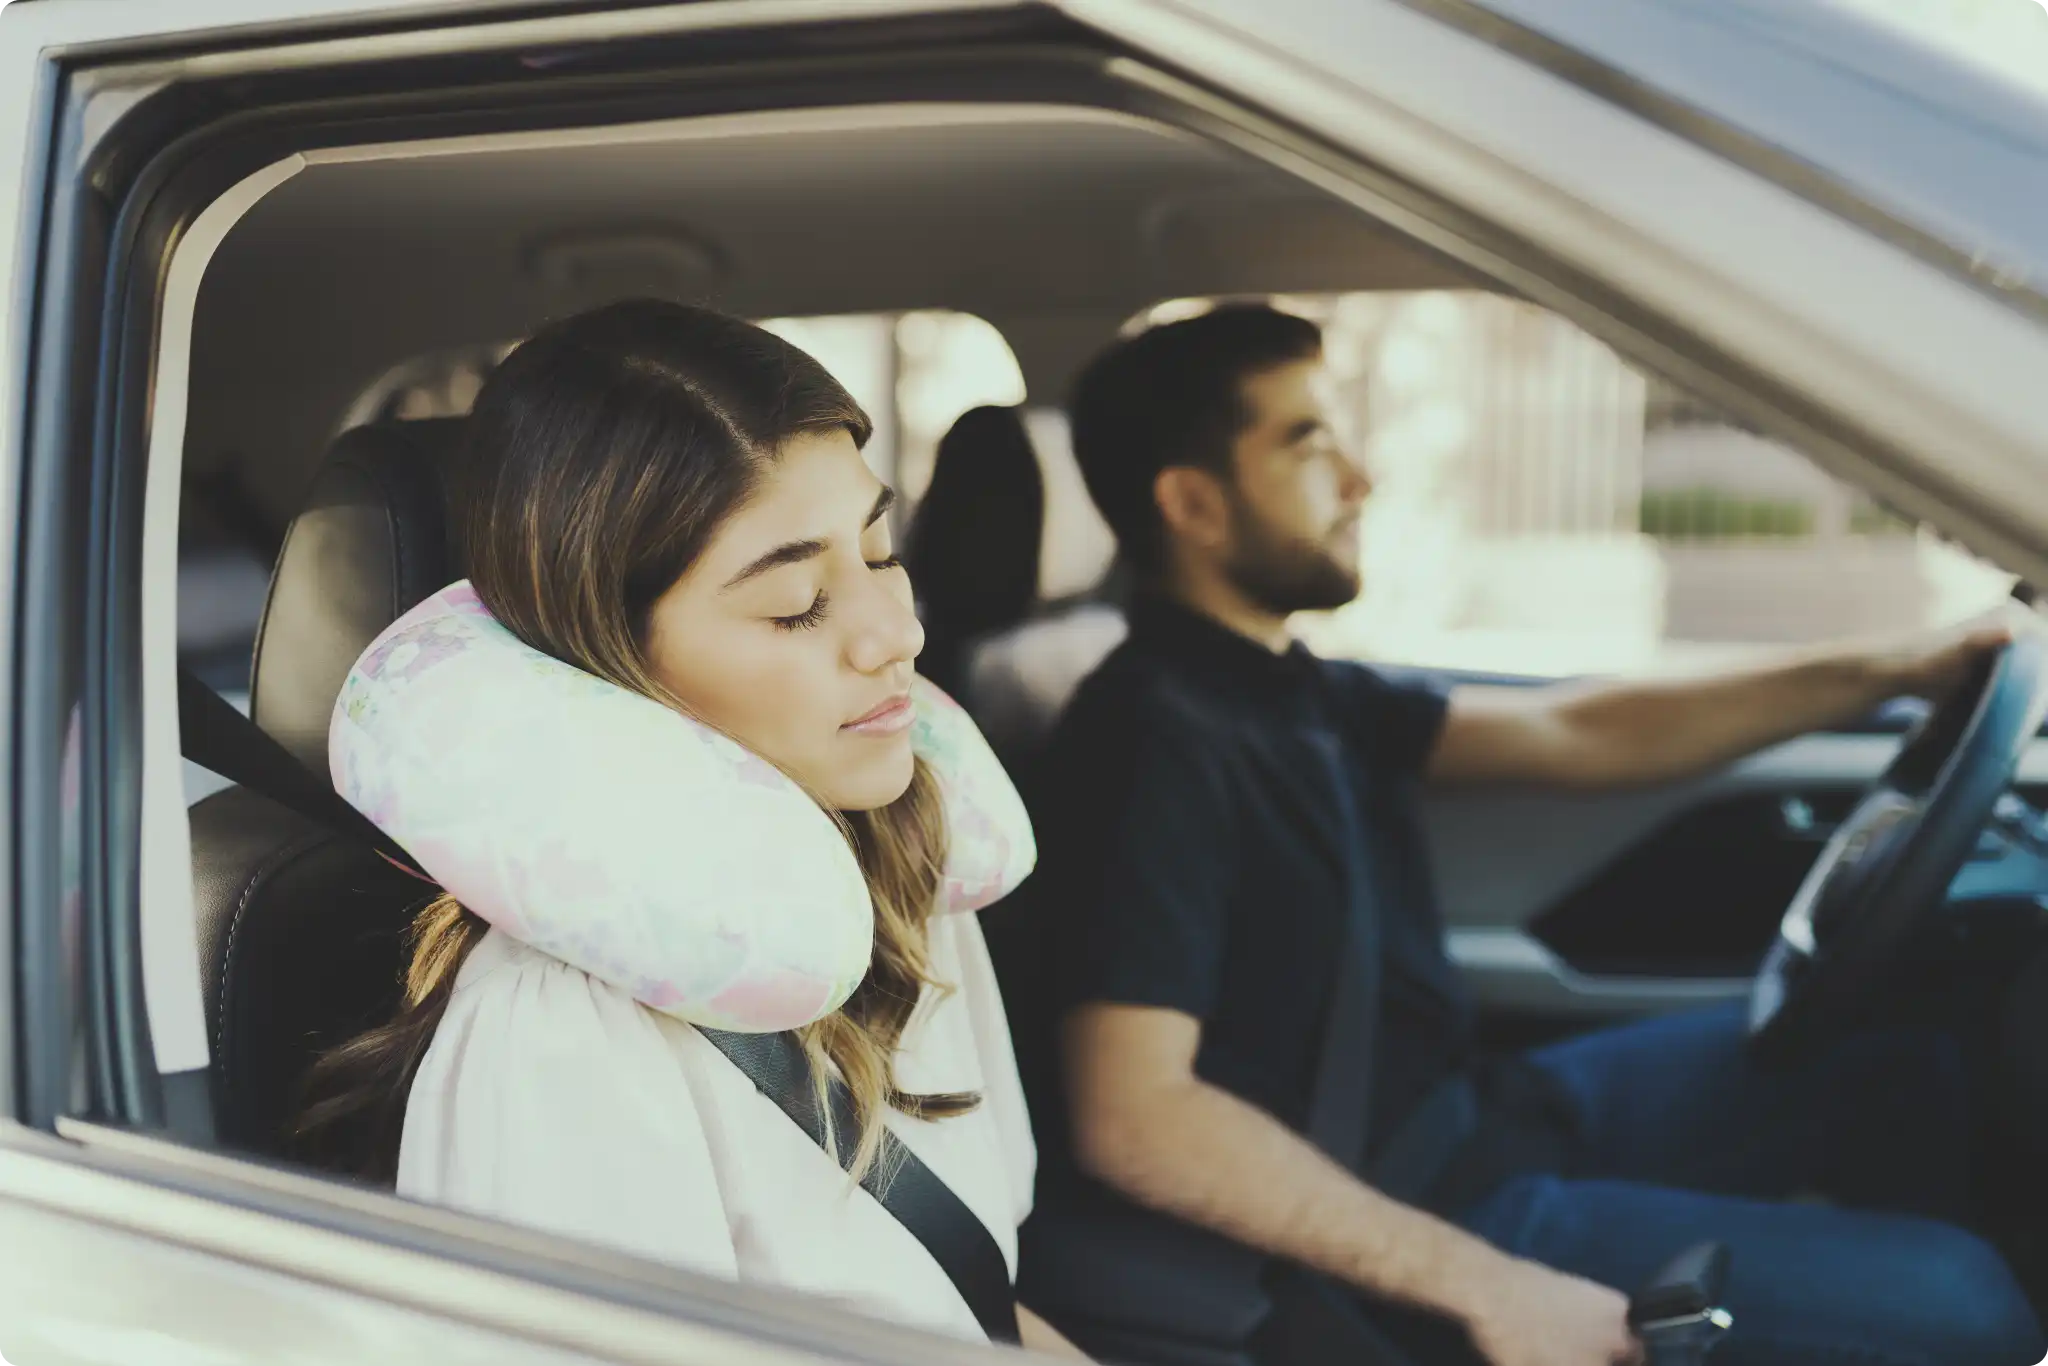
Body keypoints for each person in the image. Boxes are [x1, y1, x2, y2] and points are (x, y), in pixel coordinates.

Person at [1022, 303, 2046, 1366]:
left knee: (1897, 1058)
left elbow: (1574, 730)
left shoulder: (1285, 687)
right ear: (1193, 502)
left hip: (1480, 1115)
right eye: (1307, 441)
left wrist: (1896, 669)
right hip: (1412, 1206)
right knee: (1970, 1308)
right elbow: (1134, 1114)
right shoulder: (1148, 741)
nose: (1359, 478)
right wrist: (1490, 1287)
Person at [299, 300, 1082, 1354]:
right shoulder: (556, 1032)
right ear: (615, 660)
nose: (897, 631)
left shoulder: (903, 877)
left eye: (881, 550)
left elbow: (975, 1315)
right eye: (797, 601)